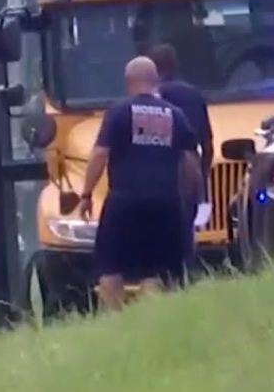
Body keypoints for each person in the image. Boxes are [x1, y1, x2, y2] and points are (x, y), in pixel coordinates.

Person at [79, 57, 204, 311]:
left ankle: (112, 326)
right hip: (165, 203)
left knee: (111, 268)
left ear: (128, 83)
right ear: (156, 81)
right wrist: (196, 199)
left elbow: (100, 154)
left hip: (124, 201)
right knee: (156, 272)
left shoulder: (119, 111)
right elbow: (192, 161)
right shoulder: (175, 115)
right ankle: (148, 322)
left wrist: (86, 194)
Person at [146, 44, 214, 266]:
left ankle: (163, 273)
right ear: (175, 65)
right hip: (190, 166)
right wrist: (203, 175)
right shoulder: (194, 94)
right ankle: (187, 272)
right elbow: (207, 141)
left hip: (160, 167)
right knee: (186, 225)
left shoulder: (151, 98)